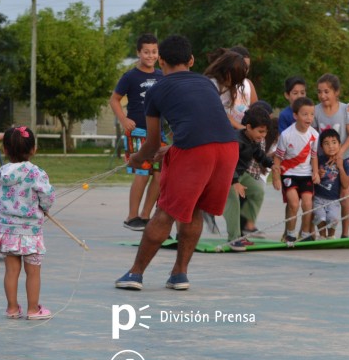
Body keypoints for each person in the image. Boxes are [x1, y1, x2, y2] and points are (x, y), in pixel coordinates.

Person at [115, 34, 238, 291]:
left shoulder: (157, 89)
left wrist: (137, 158)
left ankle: (135, 274)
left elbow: (150, 144)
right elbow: (207, 123)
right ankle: (179, 274)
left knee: (166, 212)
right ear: (191, 60)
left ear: (161, 61)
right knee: (194, 210)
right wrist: (174, 147)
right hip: (228, 148)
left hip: (197, 151)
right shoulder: (207, 84)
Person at [0, 125, 56, 320]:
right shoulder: (36, 173)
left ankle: (11, 308)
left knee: (11, 271)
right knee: (33, 272)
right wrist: (45, 208)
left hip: (7, 230)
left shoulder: (1, 173)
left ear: (5, 150)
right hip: (31, 232)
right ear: (33, 149)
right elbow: (48, 195)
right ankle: (33, 309)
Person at [110, 34, 163, 231]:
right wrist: (123, 119)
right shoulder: (130, 76)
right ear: (139, 53)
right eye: (146, 52)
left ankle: (145, 216)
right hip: (138, 130)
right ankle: (132, 216)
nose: (150, 56)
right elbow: (114, 99)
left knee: (159, 174)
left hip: (158, 133)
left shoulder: (161, 75)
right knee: (143, 173)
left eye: (154, 52)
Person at [222, 106, 274, 251]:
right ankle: (234, 238)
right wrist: (235, 182)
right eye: (260, 131)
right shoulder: (236, 140)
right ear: (249, 127)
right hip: (226, 175)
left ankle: (245, 227)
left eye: (265, 132)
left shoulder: (253, 140)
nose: (263, 135)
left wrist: (272, 164)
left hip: (240, 175)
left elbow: (259, 156)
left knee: (258, 190)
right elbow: (227, 163)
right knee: (233, 199)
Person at [272, 96, 320, 245]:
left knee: (307, 204)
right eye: (305, 114)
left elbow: (313, 157)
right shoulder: (286, 135)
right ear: (295, 116)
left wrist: (316, 172)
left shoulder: (314, 135)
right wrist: (276, 178)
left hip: (305, 174)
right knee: (293, 203)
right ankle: (290, 234)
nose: (309, 118)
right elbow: (277, 158)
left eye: (312, 114)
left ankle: (305, 233)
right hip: (289, 174)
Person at [313, 74, 349, 238]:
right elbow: (315, 136)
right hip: (323, 160)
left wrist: (340, 153)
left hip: (343, 158)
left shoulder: (346, 109)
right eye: (319, 92)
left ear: (336, 92)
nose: (323, 96)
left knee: (344, 196)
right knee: (320, 195)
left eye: (326, 91)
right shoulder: (316, 111)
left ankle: (344, 234)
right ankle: (322, 234)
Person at [314, 128, 349, 239]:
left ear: (340, 145)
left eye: (334, 143)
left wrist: (340, 167)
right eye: (326, 143)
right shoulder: (318, 160)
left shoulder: (344, 163)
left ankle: (331, 236)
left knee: (333, 219)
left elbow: (346, 184)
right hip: (318, 198)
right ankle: (322, 236)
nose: (331, 146)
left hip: (334, 200)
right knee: (320, 217)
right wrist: (318, 174)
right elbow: (313, 178)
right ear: (321, 147)